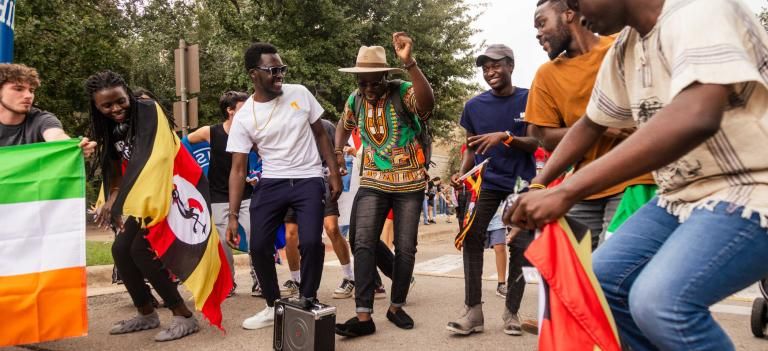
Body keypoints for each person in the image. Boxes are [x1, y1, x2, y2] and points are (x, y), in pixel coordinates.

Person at [506, 0, 768, 349]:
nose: (577, 13)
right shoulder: (626, 47)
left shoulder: (700, 9)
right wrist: (539, 186)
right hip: (680, 196)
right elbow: (590, 124)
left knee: (661, 301)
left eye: (576, 1)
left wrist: (564, 193)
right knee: (600, 283)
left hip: (751, 186)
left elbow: (696, 115)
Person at [225, 42, 342, 330]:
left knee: (312, 243)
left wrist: (334, 172)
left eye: (281, 69)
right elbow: (238, 169)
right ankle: (272, 305)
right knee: (260, 246)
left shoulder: (299, 93)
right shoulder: (244, 116)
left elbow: (320, 133)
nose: (279, 75)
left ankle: (308, 300)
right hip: (272, 181)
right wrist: (231, 215)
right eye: (272, 70)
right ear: (254, 74)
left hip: (308, 178)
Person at [526, 0, 656, 250]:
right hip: (583, 187)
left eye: (542, 23)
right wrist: (604, 127)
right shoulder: (546, 75)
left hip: (634, 178)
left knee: (612, 266)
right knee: (577, 270)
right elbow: (544, 135)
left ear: (569, 14)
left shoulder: (621, 46)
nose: (538, 33)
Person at [334, 32, 435, 337]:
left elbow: (427, 104)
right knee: (362, 241)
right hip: (373, 179)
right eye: (362, 82)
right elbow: (343, 123)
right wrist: (338, 152)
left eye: (373, 82)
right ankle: (363, 316)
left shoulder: (402, 90)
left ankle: (396, 306)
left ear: (385, 78)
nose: (367, 88)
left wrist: (410, 64)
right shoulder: (355, 99)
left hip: (410, 182)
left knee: (405, 247)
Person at [86, 70, 198, 342]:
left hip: (170, 190)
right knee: (121, 249)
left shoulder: (148, 111)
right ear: (97, 107)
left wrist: (117, 202)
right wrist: (111, 198)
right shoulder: (110, 127)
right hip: (142, 194)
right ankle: (146, 313)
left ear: (128, 94)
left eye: (120, 101)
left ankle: (184, 315)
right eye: (106, 105)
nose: (115, 109)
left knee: (140, 250)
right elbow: (114, 169)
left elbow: (148, 161)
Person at [446, 44, 538, 337]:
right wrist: (462, 174)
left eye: (496, 65)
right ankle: (473, 311)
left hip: (522, 183)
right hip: (487, 181)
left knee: (520, 245)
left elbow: (536, 142)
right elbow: (470, 149)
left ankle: (511, 311)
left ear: (511, 65)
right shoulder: (474, 106)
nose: (490, 72)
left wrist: (507, 138)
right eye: (485, 68)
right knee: (472, 235)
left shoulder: (530, 98)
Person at [186, 91, 259, 297]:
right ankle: (228, 283)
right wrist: (192, 172)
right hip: (218, 196)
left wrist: (256, 173)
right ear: (230, 111)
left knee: (257, 236)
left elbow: (265, 154)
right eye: (244, 108)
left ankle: (260, 279)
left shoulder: (251, 133)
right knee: (223, 243)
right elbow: (182, 145)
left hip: (247, 195)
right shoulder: (210, 132)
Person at [281, 118, 356, 300]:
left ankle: (349, 277)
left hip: (321, 181)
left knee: (331, 228)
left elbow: (340, 150)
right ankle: (296, 280)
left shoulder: (325, 126)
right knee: (291, 233)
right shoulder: (286, 124)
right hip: (294, 183)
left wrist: (339, 169)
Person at [0, 63, 95, 154]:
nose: (28, 95)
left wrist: (74, 147)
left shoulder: (42, 119)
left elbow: (57, 137)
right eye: (18, 89)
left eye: (31, 90)